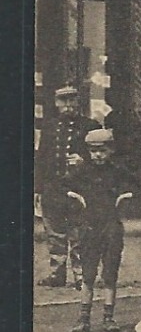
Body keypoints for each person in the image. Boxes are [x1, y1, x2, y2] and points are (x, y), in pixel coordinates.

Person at [63, 127, 137, 332]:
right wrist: (76, 202)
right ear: (87, 151)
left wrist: (125, 198)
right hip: (89, 227)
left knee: (110, 272)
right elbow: (63, 189)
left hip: (111, 227)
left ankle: (108, 317)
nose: (98, 155)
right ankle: (83, 319)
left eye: (102, 150)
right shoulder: (81, 172)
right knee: (88, 274)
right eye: (93, 150)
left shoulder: (117, 171)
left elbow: (138, 187)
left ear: (111, 150)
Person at [35, 84, 89, 288]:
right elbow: (41, 158)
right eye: (63, 101)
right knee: (55, 234)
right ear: (57, 104)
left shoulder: (89, 126)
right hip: (53, 189)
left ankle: (81, 275)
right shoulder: (49, 127)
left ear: (78, 102)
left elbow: (103, 157)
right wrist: (38, 189)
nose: (68, 105)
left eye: (71, 100)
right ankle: (57, 274)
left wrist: (83, 160)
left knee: (78, 233)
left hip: (79, 189)